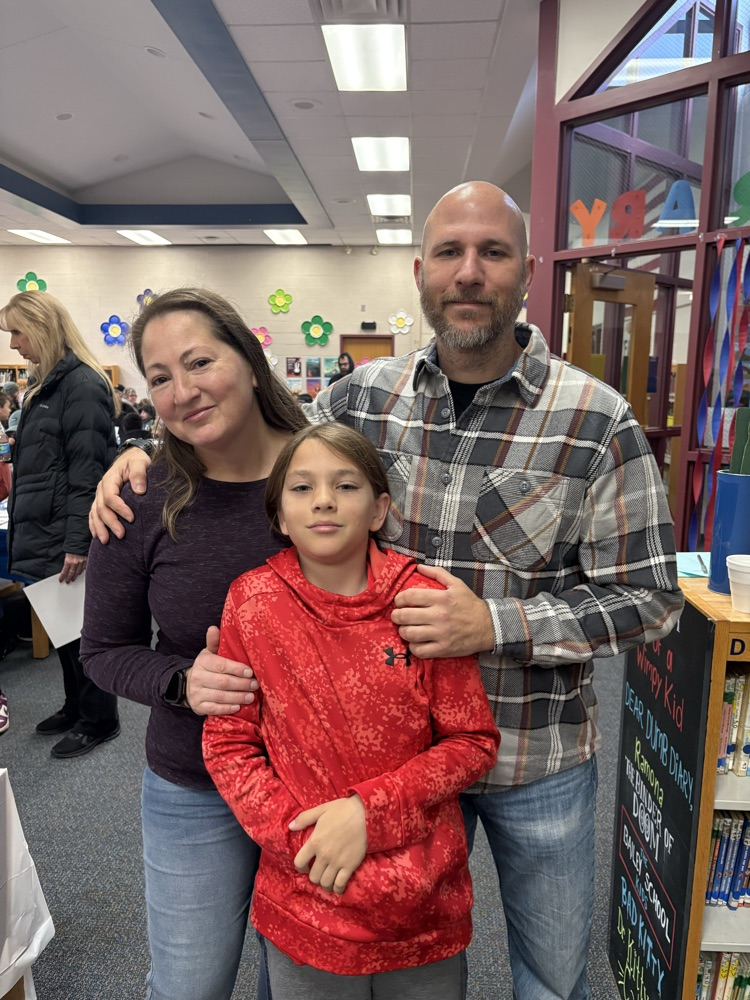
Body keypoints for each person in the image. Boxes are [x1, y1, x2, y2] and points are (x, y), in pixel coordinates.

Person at [90, 181, 684, 1000]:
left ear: (529, 270)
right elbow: (241, 442)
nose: (469, 272)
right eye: (449, 253)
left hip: (528, 750)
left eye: (493, 252)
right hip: (373, 761)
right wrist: (136, 458)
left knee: (551, 980)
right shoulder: (358, 402)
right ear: (420, 272)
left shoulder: (596, 419)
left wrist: (497, 624)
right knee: (340, 950)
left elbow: (650, 598)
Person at [203, 422, 499, 998]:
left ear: (379, 508)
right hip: (309, 896)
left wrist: (370, 813)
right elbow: (228, 743)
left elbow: (471, 741)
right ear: (279, 515)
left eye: (345, 485)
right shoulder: (252, 602)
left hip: (420, 905)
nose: (323, 501)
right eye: (301, 488)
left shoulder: (424, 601)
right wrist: (305, 844)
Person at [80, 288, 308, 1000]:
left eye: (199, 361)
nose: (182, 391)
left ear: (248, 357)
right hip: (194, 784)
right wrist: (181, 681)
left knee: (303, 986)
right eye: (159, 377)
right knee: (188, 985)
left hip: (320, 785)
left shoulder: (327, 478)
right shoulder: (140, 498)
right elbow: (103, 649)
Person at [0, 291, 120, 759]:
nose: (12, 344)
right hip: (45, 527)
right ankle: (76, 707)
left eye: (17, 332)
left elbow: (86, 472)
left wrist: (78, 542)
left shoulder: (81, 385)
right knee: (65, 631)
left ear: (42, 328)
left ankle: (99, 718)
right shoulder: (45, 386)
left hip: (65, 533)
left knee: (82, 633)